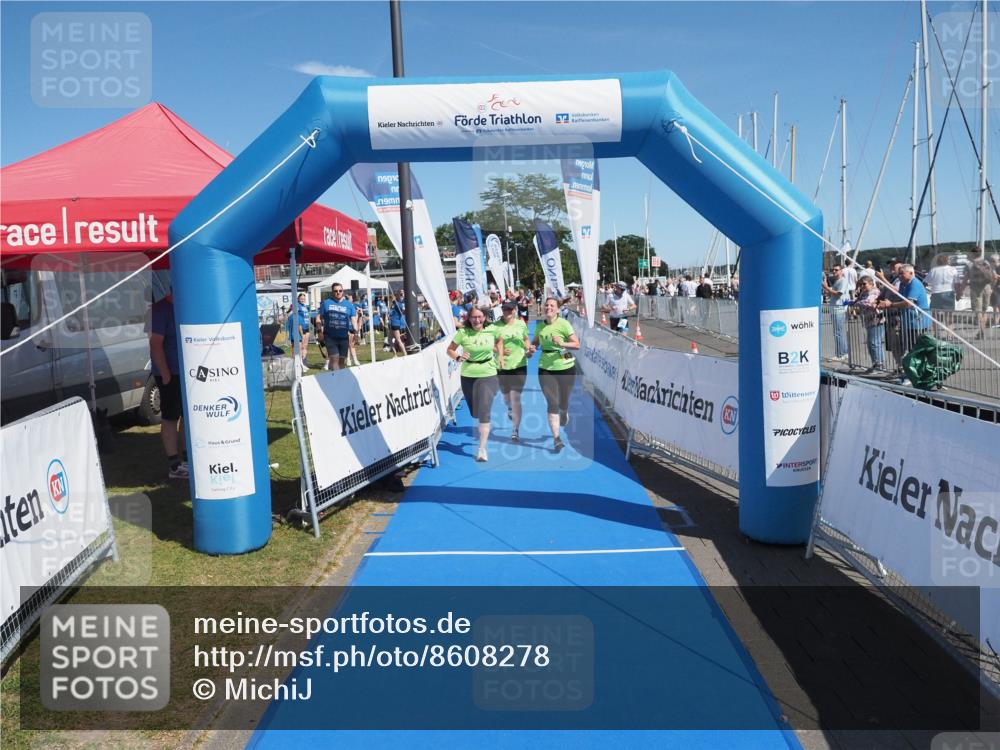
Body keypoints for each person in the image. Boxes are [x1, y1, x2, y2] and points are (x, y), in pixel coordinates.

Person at [447, 306, 501, 462]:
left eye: (480, 317)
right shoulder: (463, 333)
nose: (477, 320)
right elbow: (449, 349)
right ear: (469, 319)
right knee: (475, 413)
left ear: (484, 317)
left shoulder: (492, 330)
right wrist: (458, 357)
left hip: (488, 373)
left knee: (484, 411)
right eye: (474, 317)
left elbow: (500, 343)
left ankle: (482, 450)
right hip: (468, 375)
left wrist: (500, 351)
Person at [147, 291, 188, 480]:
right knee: (171, 416)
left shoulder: (185, 305)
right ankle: (174, 464)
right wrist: (165, 375)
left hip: (189, 372)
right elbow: (155, 344)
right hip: (170, 373)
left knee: (188, 416)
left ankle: (188, 459)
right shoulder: (158, 310)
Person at [533, 297, 580, 452]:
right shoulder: (540, 327)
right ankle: (556, 439)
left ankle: (564, 411)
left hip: (566, 367)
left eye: (552, 305)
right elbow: (534, 343)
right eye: (546, 305)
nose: (548, 308)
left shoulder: (564, 324)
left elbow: (577, 344)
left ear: (558, 309)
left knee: (563, 401)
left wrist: (562, 343)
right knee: (552, 403)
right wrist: (530, 349)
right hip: (545, 368)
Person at [878, 263, 931, 379]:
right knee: (910, 350)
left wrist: (890, 304)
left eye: (902, 273)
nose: (899, 276)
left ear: (911, 273)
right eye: (899, 273)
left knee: (916, 351)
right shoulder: (903, 284)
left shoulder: (915, 284)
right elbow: (897, 293)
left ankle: (917, 376)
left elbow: (908, 303)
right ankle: (911, 374)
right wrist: (882, 279)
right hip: (908, 322)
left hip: (918, 323)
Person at [493, 300, 532, 441]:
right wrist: (500, 350)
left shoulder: (521, 324)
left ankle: (515, 429)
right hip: (502, 366)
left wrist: (528, 348)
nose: (507, 312)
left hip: (520, 364)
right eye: (505, 310)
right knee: (506, 395)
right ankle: (509, 407)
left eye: (510, 310)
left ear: (515, 310)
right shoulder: (495, 326)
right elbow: (490, 345)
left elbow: (526, 339)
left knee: (515, 397)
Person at [845, 275, 885, 373]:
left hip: (877, 320)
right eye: (861, 284)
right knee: (871, 343)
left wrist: (856, 303)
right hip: (868, 320)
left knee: (874, 343)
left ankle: (880, 365)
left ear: (871, 283)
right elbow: (857, 300)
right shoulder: (863, 292)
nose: (862, 286)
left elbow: (869, 302)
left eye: (864, 284)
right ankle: (876, 363)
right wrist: (850, 302)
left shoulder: (875, 291)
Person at [316, 283, 357, 371]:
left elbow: (353, 319)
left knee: (342, 361)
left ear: (343, 291)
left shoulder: (349, 305)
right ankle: (336, 380)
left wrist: (356, 332)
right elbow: (318, 318)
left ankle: (340, 381)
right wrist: (319, 332)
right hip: (330, 337)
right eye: (335, 291)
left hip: (344, 337)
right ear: (332, 292)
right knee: (334, 360)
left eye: (340, 291)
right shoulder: (326, 303)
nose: (338, 292)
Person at [959, 252, 996, 340]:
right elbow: (994, 276)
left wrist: (961, 291)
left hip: (975, 290)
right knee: (984, 311)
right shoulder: (986, 262)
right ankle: (982, 332)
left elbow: (965, 279)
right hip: (986, 288)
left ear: (972, 254)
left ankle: (982, 332)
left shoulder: (969, 265)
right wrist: (992, 287)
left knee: (978, 312)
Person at [821, 264, 850, 361]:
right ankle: (844, 352)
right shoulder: (837, 281)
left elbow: (838, 294)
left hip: (839, 308)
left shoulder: (843, 281)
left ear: (841, 271)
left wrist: (827, 288)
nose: (834, 271)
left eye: (836, 270)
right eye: (833, 270)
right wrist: (827, 288)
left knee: (838, 332)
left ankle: (840, 354)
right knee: (839, 332)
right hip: (835, 308)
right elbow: (832, 293)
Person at [286, 292, 312, 367]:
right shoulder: (297, 305)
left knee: (305, 346)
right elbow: (291, 313)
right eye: (301, 298)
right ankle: (297, 363)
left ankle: (304, 362)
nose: (302, 300)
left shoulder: (305, 306)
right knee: (299, 346)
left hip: (306, 327)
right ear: (298, 299)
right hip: (300, 328)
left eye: (304, 298)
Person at [388, 289, 408, 356]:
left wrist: (393, 298)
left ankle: (405, 353)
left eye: (392, 298)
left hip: (395, 324)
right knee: (389, 339)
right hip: (394, 323)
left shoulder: (397, 304)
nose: (390, 299)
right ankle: (395, 354)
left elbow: (402, 311)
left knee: (398, 340)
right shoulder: (396, 304)